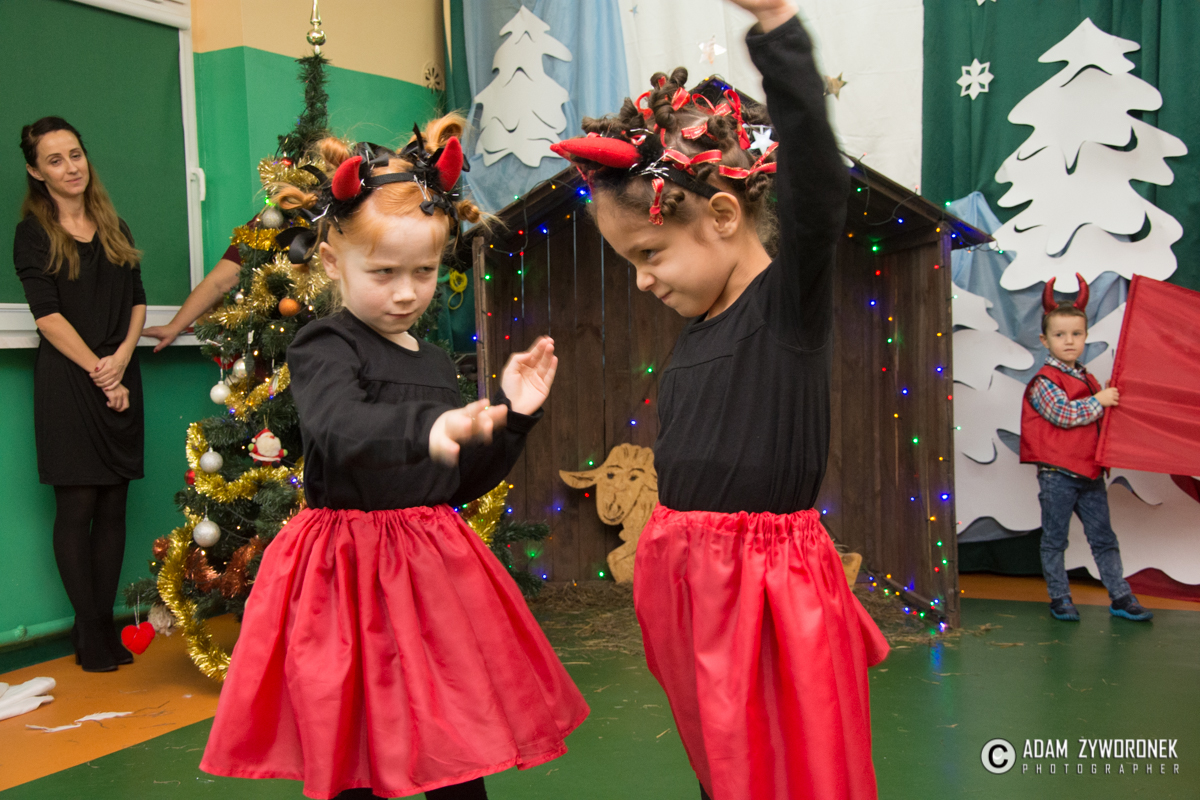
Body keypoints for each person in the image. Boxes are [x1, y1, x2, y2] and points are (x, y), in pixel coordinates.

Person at [550, 2, 889, 798]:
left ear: (725, 216)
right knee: (725, 764)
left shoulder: (784, 310)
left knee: (788, 768)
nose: (642, 280)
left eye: (650, 254)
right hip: (695, 586)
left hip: (767, 589)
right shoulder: (700, 328)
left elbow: (819, 187)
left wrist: (776, 28)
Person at [199, 115, 589, 800]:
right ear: (332, 263)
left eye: (424, 271)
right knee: (356, 745)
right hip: (347, 576)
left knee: (454, 742)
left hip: (431, 574)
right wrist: (427, 428)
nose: (407, 292)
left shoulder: (435, 361)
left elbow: (457, 479)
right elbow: (338, 427)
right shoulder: (325, 346)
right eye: (383, 273)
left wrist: (514, 417)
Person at [13, 117, 146, 673]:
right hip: (70, 382)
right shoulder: (32, 233)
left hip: (119, 373)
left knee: (114, 504)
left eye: (75, 154)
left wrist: (121, 361)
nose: (71, 167)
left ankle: (102, 625)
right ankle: (88, 629)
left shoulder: (114, 225)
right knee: (78, 506)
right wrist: (101, 372)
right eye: (55, 160)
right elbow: (47, 318)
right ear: (36, 172)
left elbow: (137, 301)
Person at [1019, 275, 1153, 623]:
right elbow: (1064, 415)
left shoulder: (1087, 378)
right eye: (1060, 335)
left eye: (1076, 334)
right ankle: (1060, 597)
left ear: (1085, 336)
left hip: (1089, 472)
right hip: (1058, 475)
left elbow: (1095, 418)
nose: (1069, 341)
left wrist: (1104, 397)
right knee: (1055, 540)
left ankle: (1120, 596)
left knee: (1103, 537)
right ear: (1044, 340)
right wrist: (1099, 400)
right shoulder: (1044, 381)